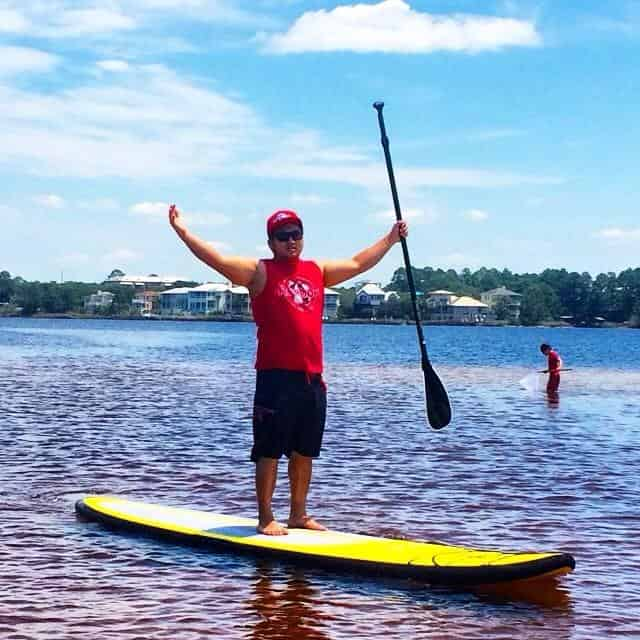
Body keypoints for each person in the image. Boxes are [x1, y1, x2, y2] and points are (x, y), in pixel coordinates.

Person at [169, 205, 408, 535]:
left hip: (311, 378)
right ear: (271, 242)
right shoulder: (259, 272)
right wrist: (183, 232)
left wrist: (390, 239)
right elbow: (218, 260)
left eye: (296, 234)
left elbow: (356, 263)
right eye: (283, 236)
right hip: (274, 377)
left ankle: (298, 513)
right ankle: (265, 516)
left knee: (304, 450)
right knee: (268, 451)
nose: (291, 241)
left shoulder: (317, 270)